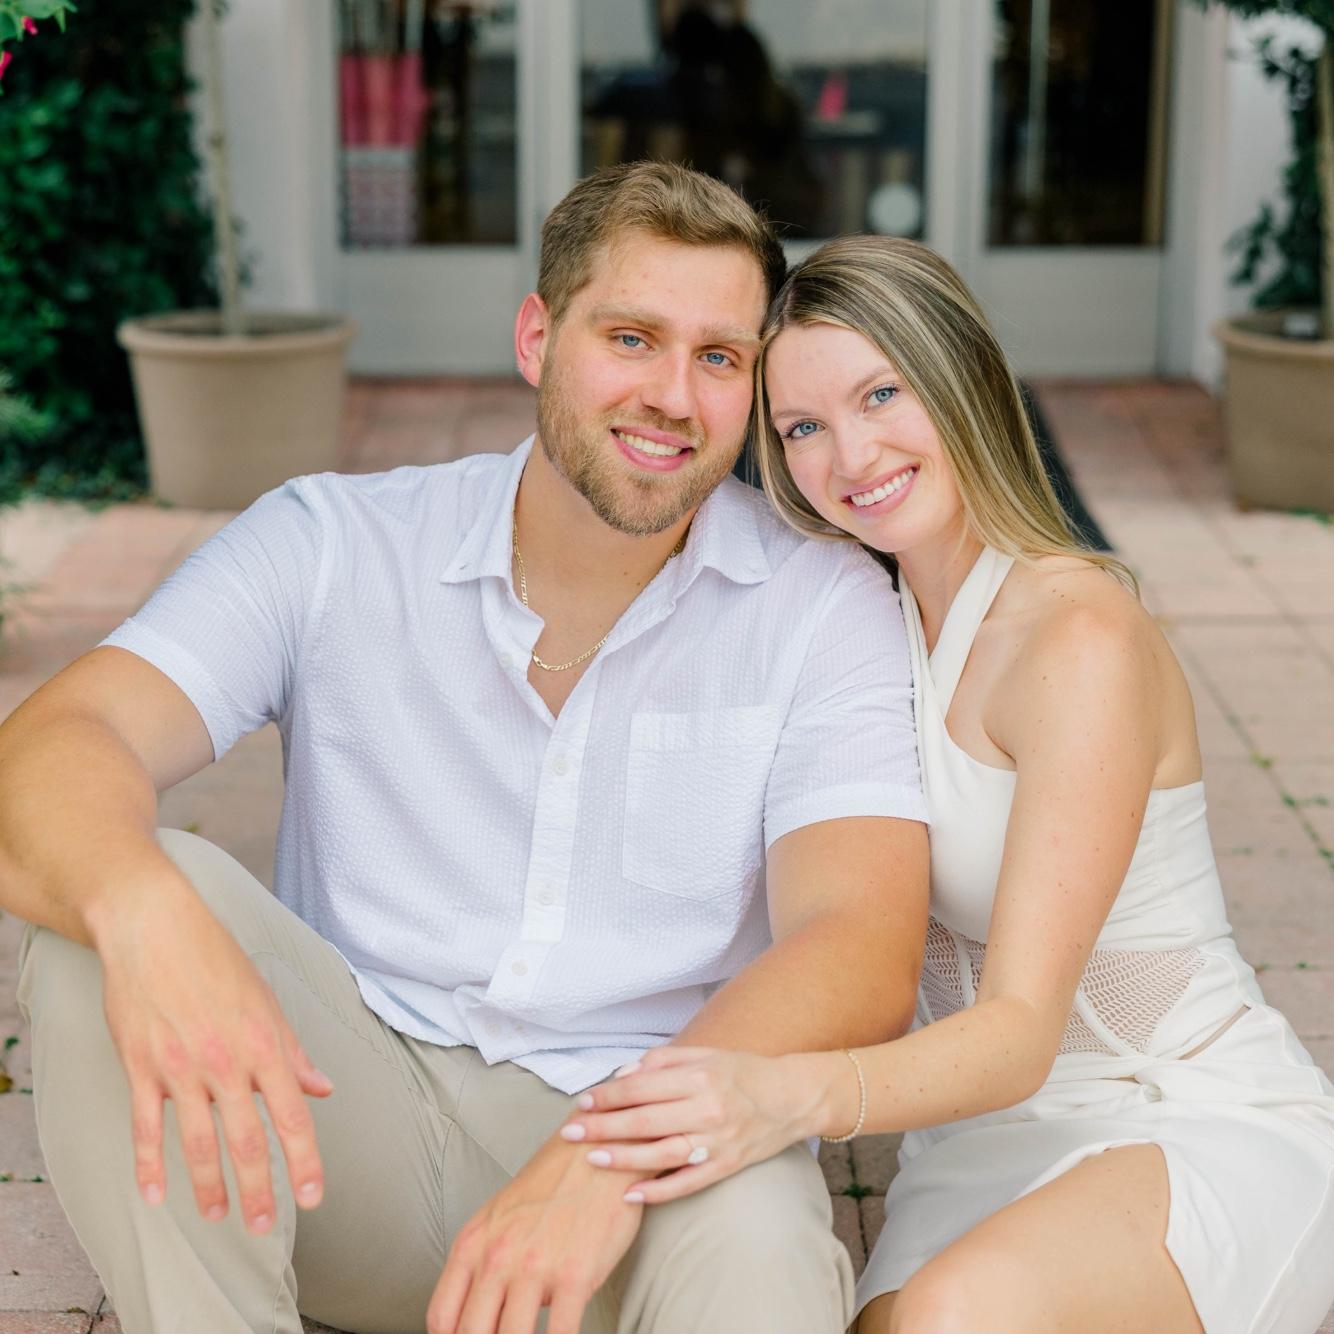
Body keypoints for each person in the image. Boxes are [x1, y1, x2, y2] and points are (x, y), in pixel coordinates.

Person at [0, 165, 930, 1334]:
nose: (671, 396)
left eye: (717, 357)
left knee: (760, 1239)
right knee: (110, 915)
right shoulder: (336, 542)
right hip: (347, 1128)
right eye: (630, 338)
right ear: (536, 337)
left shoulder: (817, 601)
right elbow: (54, 743)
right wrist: (144, 911)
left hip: (647, 1163)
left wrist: (599, 1154)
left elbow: (860, 940)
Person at [565, 235, 1334, 1334]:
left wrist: (780, 1095)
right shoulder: (851, 627)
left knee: (951, 1314)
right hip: (970, 1146)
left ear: (960, 377)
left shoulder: (1077, 638)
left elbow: (1020, 1030)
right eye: (802, 427)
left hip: (1181, 1113)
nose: (851, 453)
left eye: (881, 394)